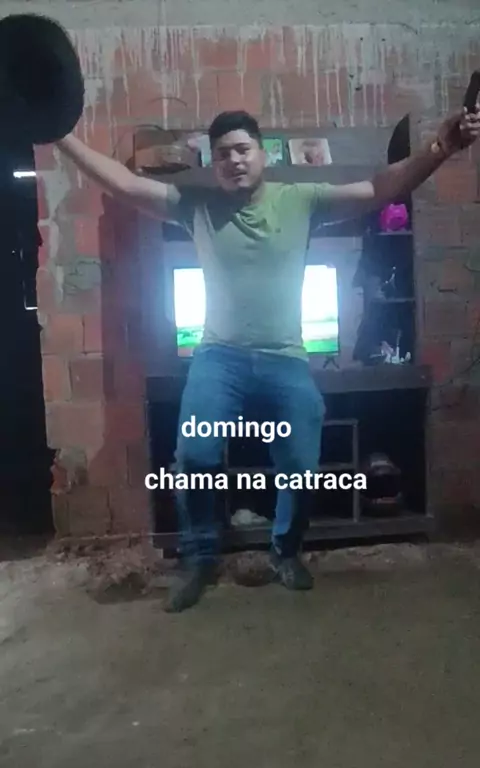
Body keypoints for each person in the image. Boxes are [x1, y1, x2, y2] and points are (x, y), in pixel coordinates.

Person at [51, 105, 480, 612]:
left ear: (262, 155)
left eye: (242, 149)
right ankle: (200, 557)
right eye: (223, 154)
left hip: (285, 359)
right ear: (214, 164)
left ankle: (285, 550)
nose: (234, 160)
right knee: (194, 457)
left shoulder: (300, 201)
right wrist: (60, 135)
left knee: (300, 463)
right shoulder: (196, 205)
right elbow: (123, 183)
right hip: (219, 359)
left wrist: (439, 148)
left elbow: (376, 188)